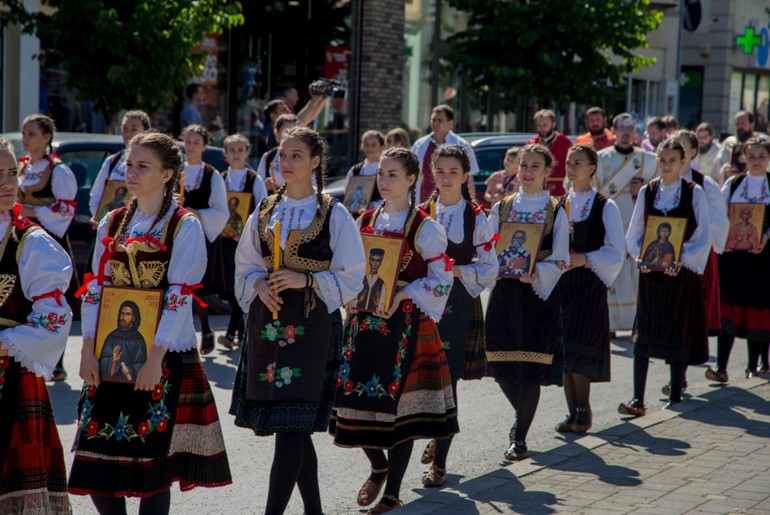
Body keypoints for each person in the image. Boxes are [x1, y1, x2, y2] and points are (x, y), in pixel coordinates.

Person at [69, 131, 232, 514]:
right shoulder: (112, 222)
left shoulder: (183, 225)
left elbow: (178, 297)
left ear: (167, 174)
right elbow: (95, 290)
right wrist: (88, 352)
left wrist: (155, 358)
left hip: (160, 353)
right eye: (130, 164)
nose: (132, 172)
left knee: (151, 463)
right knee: (97, 457)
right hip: (110, 353)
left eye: (143, 166)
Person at [231, 126, 365, 515]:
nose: (286, 162)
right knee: (294, 430)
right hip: (268, 325)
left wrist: (305, 278)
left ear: (315, 162)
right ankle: (315, 512)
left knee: (292, 430)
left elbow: (353, 274)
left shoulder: (333, 212)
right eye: (282, 155)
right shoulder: (266, 208)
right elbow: (246, 263)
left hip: (312, 328)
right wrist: (258, 283)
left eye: (296, 155)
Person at [330, 147, 457, 514]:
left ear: (412, 180)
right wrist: (350, 297)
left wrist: (402, 292)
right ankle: (378, 465)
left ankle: (392, 492)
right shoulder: (365, 220)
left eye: (393, 175)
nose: (384, 182)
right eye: (381, 174)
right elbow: (350, 271)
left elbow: (441, 281)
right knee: (352, 402)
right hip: (364, 324)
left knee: (401, 415)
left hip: (407, 327)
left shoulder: (425, 228)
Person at [418, 144, 498, 488]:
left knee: (447, 384)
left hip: (457, 306)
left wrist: (456, 272)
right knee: (420, 382)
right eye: (440, 171)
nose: (446, 178)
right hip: (421, 307)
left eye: (454, 172)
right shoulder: (419, 213)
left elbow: (489, 268)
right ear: (431, 173)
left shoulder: (477, 217)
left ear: (466, 176)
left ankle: (439, 463)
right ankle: (433, 433)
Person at [0, 136, 72, 515]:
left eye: (12, 172)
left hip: (11, 371)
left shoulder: (32, 242)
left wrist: (6, 343)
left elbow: (54, 317)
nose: (7, 183)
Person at [486, 143, 569, 460]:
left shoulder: (555, 209)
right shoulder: (503, 207)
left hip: (537, 295)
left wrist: (536, 271)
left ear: (548, 172)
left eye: (536, 166)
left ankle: (519, 439)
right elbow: (487, 249)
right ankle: (521, 419)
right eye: (524, 166)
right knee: (501, 364)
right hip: (505, 294)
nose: (529, 172)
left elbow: (561, 258)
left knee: (529, 369)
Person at [619, 139, 710, 416]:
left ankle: (674, 394)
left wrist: (682, 260)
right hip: (651, 275)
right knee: (643, 335)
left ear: (683, 162)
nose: (667, 165)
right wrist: (639, 257)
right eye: (662, 159)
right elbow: (634, 233)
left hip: (679, 275)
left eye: (673, 160)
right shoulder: (649, 191)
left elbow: (702, 235)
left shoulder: (694, 192)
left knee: (676, 332)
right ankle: (637, 398)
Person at [555, 144, 624, 434]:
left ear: (592, 167)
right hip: (562, 285)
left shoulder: (605, 205)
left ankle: (584, 410)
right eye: (569, 163)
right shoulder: (559, 204)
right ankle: (572, 413)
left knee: (580, 348)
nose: (572, 168)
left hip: (589, 285)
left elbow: (616, 250)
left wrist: (586, 259)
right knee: (565, 350)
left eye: (579, 163)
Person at [18, 113, 78, 381]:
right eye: (24, 133)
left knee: (50, 297)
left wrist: (30, 210)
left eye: (31, 134)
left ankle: (57, 361)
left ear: (46, 137)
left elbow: (65, 210)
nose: (25, 139)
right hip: (21, 240)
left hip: (48, 240)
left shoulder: (58, 170)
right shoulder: (20, 168)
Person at [707, 138, 770, 382]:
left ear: (767, 158)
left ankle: (754, 366)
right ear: (744, 157)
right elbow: (719, 216)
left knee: (758, 311)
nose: (755, 161)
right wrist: (724, 239)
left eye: (761, 156)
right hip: (734, 259)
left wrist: (766, 235)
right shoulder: (734, 184)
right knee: (729, 311)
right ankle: (721, 368)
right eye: (751, 156)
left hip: (763, 258)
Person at [594, 113, 657, 334]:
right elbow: (594, 193)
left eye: (630, 128)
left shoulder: (648, 159)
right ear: (614, 130)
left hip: (638, 224)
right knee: (612, 272)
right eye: (621, 128)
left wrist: (642, 188)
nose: (626, 132)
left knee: (635, 275)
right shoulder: (602, 158)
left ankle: (636, 323)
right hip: (609, 225)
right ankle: (609, 323)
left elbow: (660, 189)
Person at [217, 133, 268, 351]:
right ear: (225, 154)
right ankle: (240, 332)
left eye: (240, 150)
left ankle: (230, 333)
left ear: (247, 152)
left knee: (242, 281)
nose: (236, 154)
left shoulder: (253, 179)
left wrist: (247, 232)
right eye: (231, 150)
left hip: (245, 240)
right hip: (224, 241)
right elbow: (217, 207)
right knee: (229, 287)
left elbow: (264, 207)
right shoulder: (220, 178)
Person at [180, 124, 229, 355]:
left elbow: (221, 211)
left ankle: (207, 329)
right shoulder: (175, 170)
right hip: (176, 236)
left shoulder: (212, 175)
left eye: (196, 143)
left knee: (199, 286)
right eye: (187, 142)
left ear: (205, 146)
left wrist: (196, 213)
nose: (191, 147)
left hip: (199, 235)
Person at [90, 110, 151, 226]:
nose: (128, 133)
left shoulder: (152, 162)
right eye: (125, 128)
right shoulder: (113, 161)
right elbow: (96, 194)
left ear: (146, 132)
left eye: (134, 129)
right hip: (110, 226)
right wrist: (99, 217)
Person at [412, 104, 479, 202]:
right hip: (423, 203)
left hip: (453, 205)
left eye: (440, 120)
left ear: (450, 123)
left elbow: (469, 179)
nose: (435, 123)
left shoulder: (462, 145)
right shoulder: (419, 145)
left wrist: (471, 206)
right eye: (433, 120)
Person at [98, 300, 147, 382]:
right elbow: (103, 360)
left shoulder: (138, 339)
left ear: (134, 318)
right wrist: (113, 361)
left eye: (128, 314)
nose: (123, 317)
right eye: (122, 313)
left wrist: (129, 371)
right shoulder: (112, 337)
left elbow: (141, 363)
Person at [526, 109, 572, 196]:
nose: (542, 128)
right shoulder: (531, 143)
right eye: (539, 125)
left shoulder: (565, 142)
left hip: (560, 189)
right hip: (537, 189)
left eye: (545, 125)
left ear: (553, 124)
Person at [715, 110, 769, 182]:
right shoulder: (729, 142)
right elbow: (717, 166)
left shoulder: (764, 141)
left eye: (743, 123)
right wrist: (725, 172)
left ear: (752, 125)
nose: (740, 126)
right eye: (737, 124)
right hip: (735, 183)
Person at [343, 130, 386, 214]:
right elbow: (347, 192)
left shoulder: (386, 169)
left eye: (373, 145)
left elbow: (392, 195)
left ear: (382, 147)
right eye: (366, 144)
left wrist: (375, 205)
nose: (369, 148)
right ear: (362, 146)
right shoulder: (355, 170)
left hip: (380, 215)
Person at [257, 113, 299, 192]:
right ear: (276, 132)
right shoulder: (268, 157)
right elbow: (257, 185)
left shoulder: (305, 156)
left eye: (294, 131)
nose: (290, 135)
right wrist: (265, 185)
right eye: (286, 131)